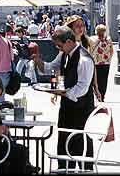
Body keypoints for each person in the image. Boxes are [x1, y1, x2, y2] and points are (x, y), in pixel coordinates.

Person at [32, 26, 95, 171]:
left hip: (82, 108)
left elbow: (82, 88)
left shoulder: (84, 59)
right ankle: (65, 168)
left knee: (80, 142)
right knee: (64, 139)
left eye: (59, 45)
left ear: (68, 42)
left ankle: (85, 169)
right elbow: (49, 68)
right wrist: (37, 60)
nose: (58, 48)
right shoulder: (64, 54)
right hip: (67, 106)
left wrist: (62, 92)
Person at [65, 15, 101, 102]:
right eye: (77, 26)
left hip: (86, 86)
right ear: (71, 28)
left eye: (82, 25)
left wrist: (96, 87)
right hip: (72, 83)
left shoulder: (87, 43)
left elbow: (93, 66)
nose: (81, 28)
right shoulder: (67, 44)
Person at [89, 25, 114, 100]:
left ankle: (97, 95)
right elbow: (112, 51)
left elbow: (89, 50)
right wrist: (109, 59)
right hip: (106, 63)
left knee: (96, 79)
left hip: (95, 63)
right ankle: (102, 95)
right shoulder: (108, 39)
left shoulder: (92, 39)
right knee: (104, 79)